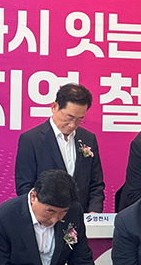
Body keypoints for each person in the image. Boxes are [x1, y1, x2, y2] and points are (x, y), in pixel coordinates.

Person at [14, 83, 105, 212]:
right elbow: (25, 186)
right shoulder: (31, 140)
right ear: (54, 107)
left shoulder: (88, 138)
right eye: (69, 118)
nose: (72, 125)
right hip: (46, 217)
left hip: (81, 216)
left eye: (79, 119)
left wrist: (93, 213)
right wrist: (43, 214)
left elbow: (96, 184)